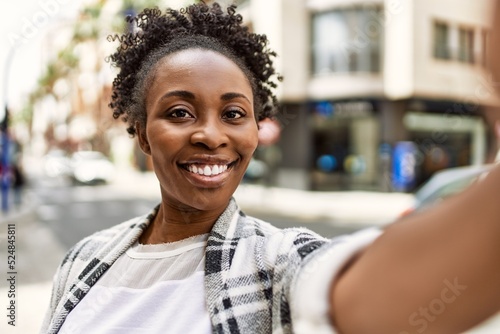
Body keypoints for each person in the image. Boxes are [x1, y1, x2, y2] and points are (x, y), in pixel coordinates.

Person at [41, 2, 500, 333]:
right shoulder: (84, 259)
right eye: (180, 113)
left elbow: (364, 298)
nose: (212, 135)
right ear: (141, 133)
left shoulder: (276, 262)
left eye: (235, 114)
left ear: (257, 131)